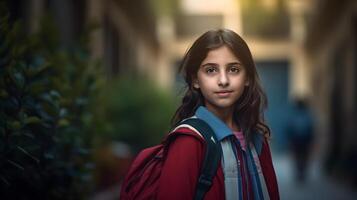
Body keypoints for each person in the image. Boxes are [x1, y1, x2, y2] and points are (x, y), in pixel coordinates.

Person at [157, 29, 279, 199]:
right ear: (195, 80)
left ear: (248, 78)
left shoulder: (257, 138)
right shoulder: (188, 142)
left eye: (234, 69)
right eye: (211, 70)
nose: (223, 80)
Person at [286, 98, 314, 184]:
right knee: (301, 156)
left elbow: (289, 128)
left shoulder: (300, 115)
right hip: (301, 139)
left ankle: (301, 172)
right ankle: (300, 172)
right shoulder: (306, 115)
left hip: (300, 139)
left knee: (300, 156)